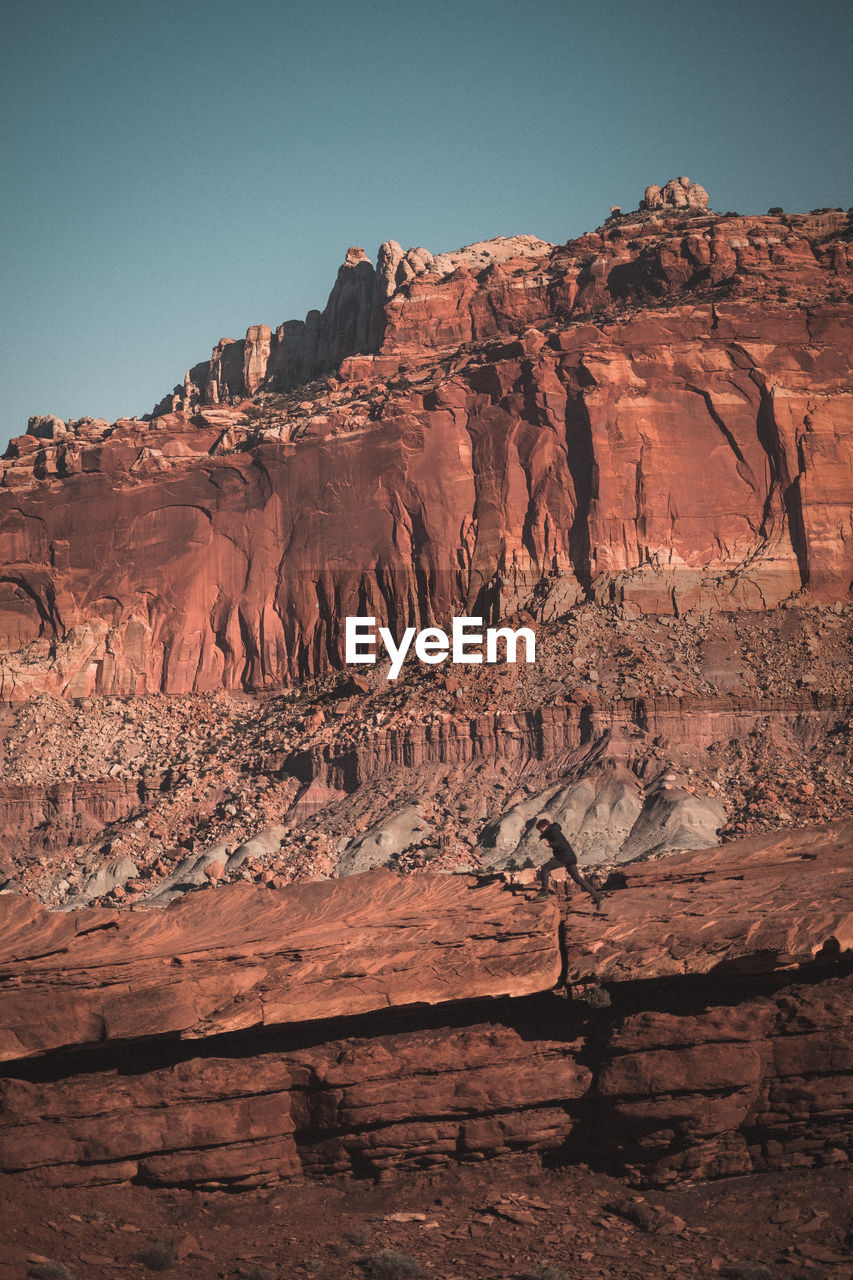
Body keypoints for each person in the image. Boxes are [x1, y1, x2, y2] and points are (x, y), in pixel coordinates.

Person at [534, 817, 603, 909]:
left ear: (544, 826)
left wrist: (550, 844)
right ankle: (597, 896)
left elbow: (559, 843)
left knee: (545, 868)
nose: (540, 832)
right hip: (570, 857)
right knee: (577, 878)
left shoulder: (552, 831)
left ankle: (544, 892)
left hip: (564, 857)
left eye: (540, 829)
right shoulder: (554, 830)